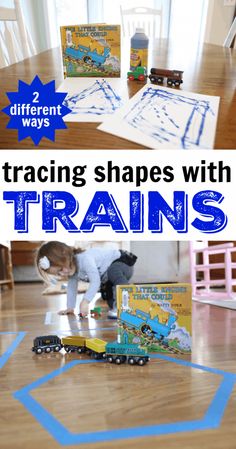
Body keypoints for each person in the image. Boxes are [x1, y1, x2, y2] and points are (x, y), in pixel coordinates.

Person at [36, 241, 137, 319]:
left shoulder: (85, 259)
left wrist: (85, 301)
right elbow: (71, 288)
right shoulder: (71, 271)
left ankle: (125, 301)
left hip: (123, 263)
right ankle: (126, 299)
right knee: (110, 300)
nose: (63, 273)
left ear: (67, 256)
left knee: (113, 272)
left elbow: (95, 281)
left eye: (61, 269)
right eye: (58, 273)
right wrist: (70, 308)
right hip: (108, 277)